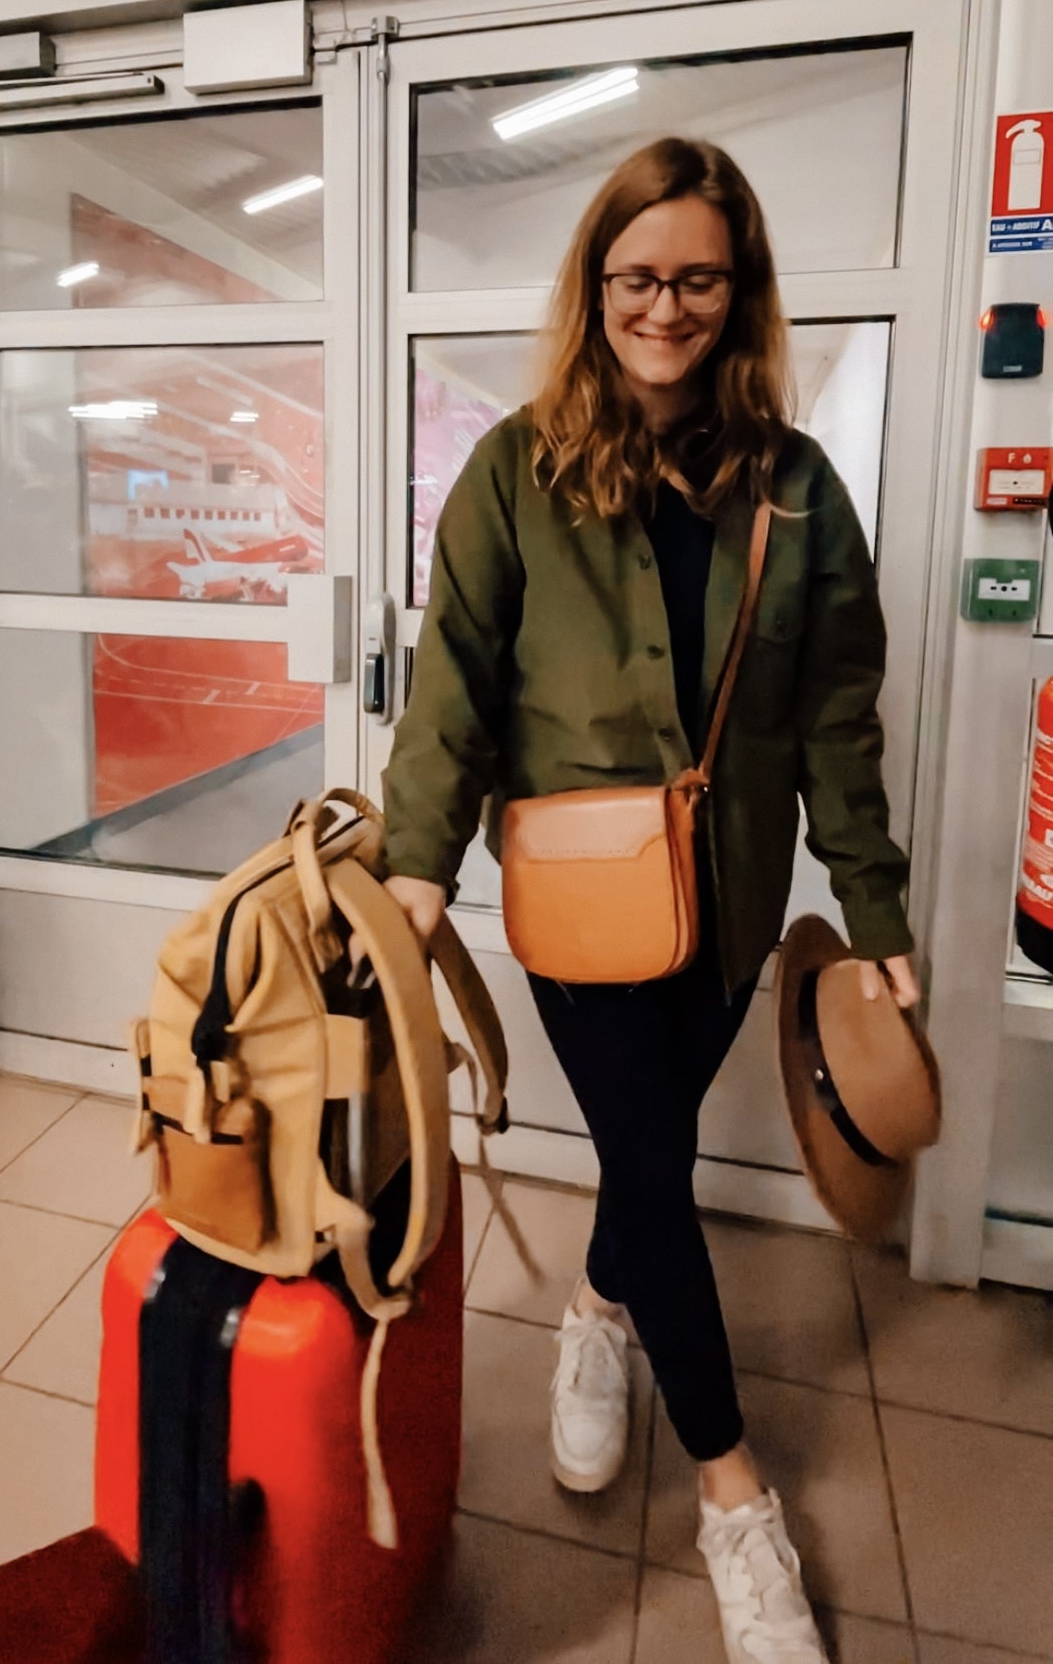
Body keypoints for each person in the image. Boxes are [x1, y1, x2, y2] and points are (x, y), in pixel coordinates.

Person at [380, 135, 920, 1663]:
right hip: (580, 900)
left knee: (645, 1156)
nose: (664, 307)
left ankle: (596, 1314)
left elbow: (838, 718)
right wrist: (416, 860)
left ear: (737, 290)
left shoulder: (798, 493)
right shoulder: (516, 467)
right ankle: (737, 1500)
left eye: (695, 276)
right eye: (636, 276)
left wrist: (874, 916)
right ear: (594, 284)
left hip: (735, 902)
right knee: (653, 1160)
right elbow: (453, 683)